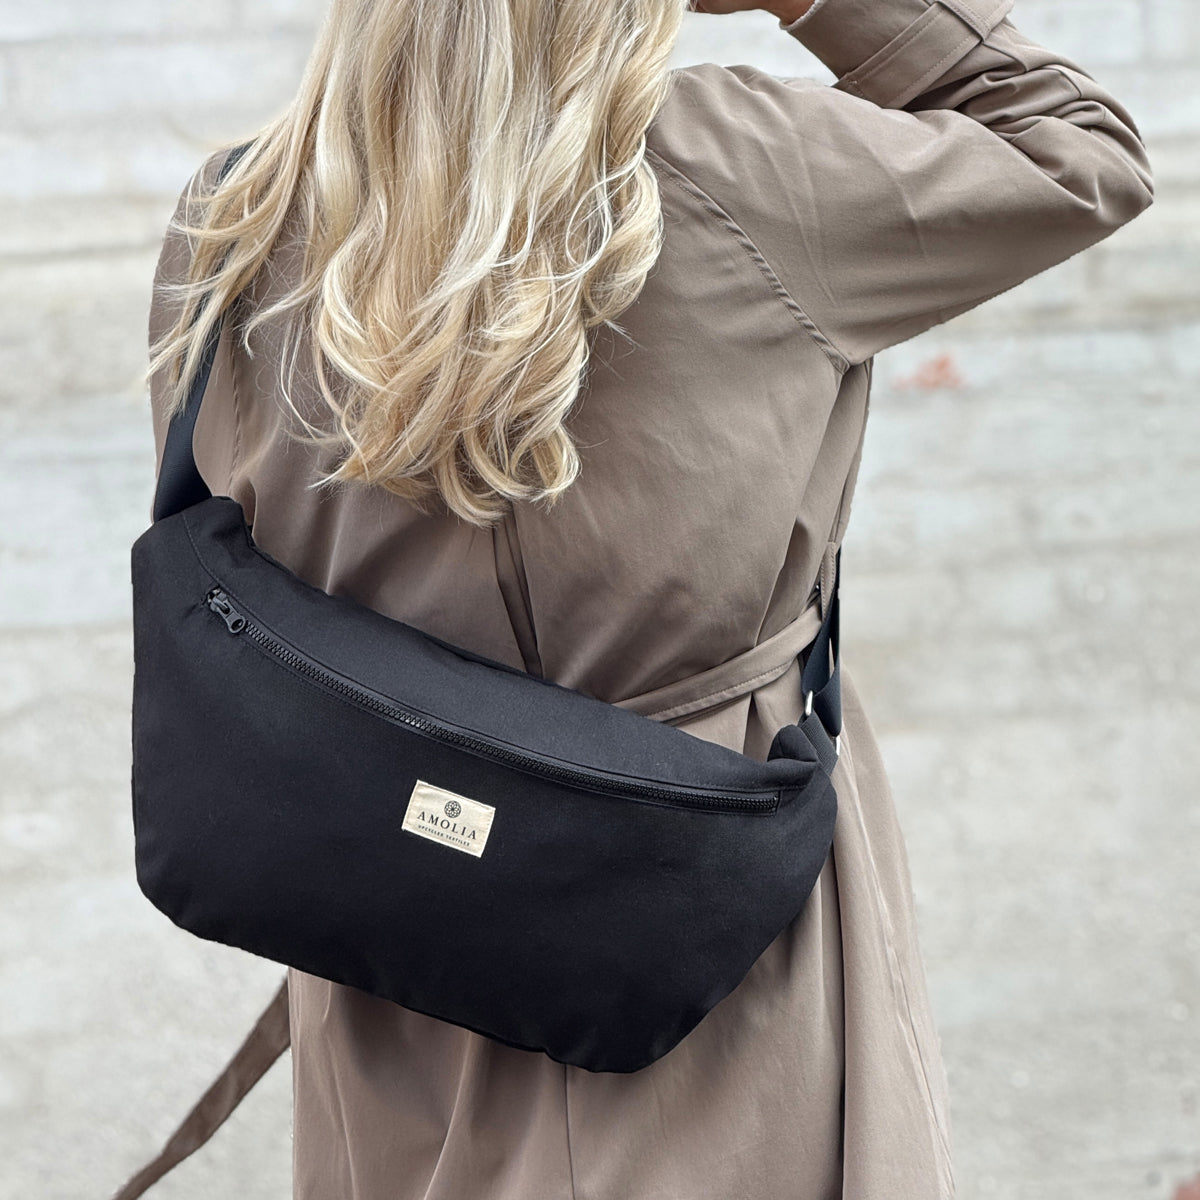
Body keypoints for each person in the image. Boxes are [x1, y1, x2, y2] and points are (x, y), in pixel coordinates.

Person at [141, 0, 1154, 1195]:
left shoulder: (239, 221)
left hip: (395, 907)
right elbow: (1075, 147)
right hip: (707, 897)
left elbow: (243, 576)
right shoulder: (748, 173)